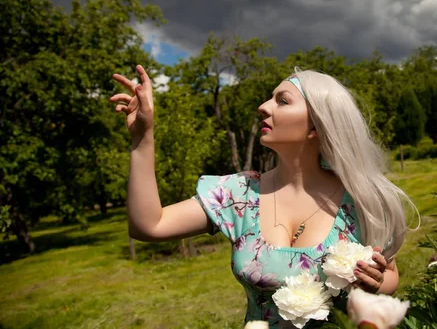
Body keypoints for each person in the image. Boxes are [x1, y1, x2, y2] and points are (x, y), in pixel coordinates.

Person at [110, 65, 413, 328]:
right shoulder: (238, 195)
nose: (263, 107)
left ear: (315, 127)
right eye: (270, 98)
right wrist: (142, 138)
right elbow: (149, 226)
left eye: (282, 101)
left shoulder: (362, 201)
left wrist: (376, 283)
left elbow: (390, 276)